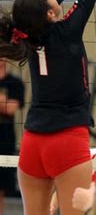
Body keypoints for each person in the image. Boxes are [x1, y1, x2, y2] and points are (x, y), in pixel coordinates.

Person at [0, 0, 96, 213]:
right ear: (50, 14)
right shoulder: (69, 30)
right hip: (67, 141)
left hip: (32, 144)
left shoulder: (29, 34)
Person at [0, 59, 24, 213]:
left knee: (1, 186)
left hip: (4, 140)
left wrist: (4, 103)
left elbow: (10, 109)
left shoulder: (14, 82)